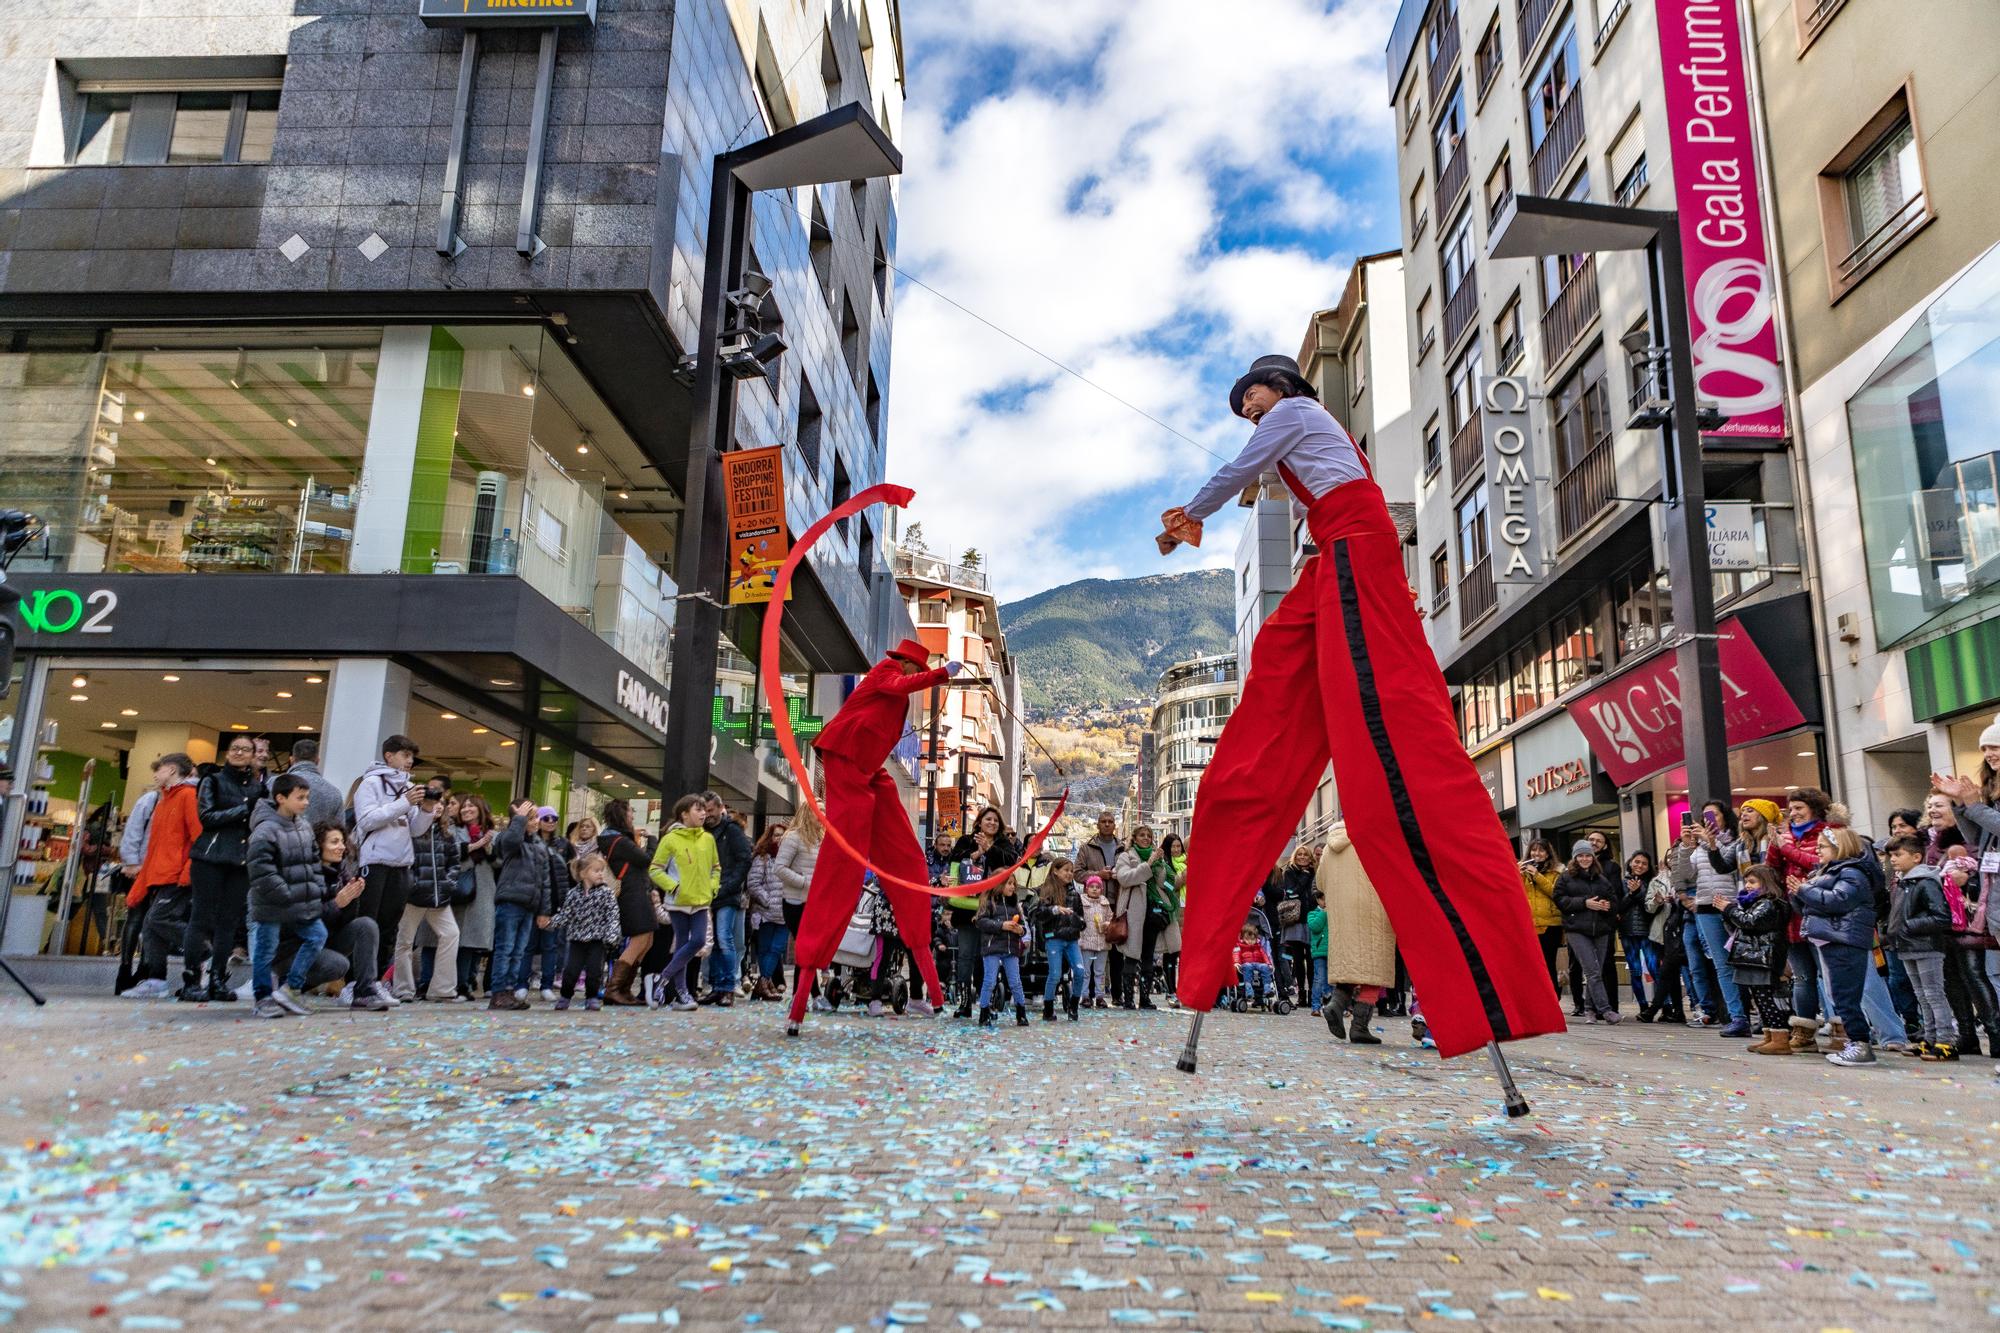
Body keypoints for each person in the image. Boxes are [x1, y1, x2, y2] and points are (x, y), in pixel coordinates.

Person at [1159, 355, 1561, 1058]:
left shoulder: (1291, 414)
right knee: (1275, 700)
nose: (1246, 411)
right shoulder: (1318, 429)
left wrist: (1187, 516)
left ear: (1276, 384)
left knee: (1388, 746)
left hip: (1351, 550)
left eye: (1247, 398)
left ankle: (1479, 990)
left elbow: (1237, 471)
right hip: (1333, 556)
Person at [786, 639, 961, 1035]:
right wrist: (940, 675)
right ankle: (799, 1001)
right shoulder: (888, 672)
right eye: (921, 668)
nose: (919, 674)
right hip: (847, 761)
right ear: (911, 664)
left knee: (909, 861)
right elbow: (896, 688)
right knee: (842, 867)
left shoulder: (897, 682)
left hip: (870, 770)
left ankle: (932, 994)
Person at [179, 734, 267, 1002]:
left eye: (245, 749)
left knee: (229, 922)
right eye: (235, 748)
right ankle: (192, 979)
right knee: (201, 918)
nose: (239, 753)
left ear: (253, 755)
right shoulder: (213, 780)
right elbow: (206, 817)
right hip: (210, 857)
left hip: (240, 861)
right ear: (227, 753)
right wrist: (241, 810)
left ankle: (217, 977)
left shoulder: (256, 787)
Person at [1792, 825, 1879, 1067]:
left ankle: (1861, 1044)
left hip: (1845, 939)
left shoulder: (1852, 873)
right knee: (1839, 995)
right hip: (1832, 938)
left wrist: (1804, 889)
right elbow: (1811, 907)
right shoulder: (1828, 872)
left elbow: (1838, 901)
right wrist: (1798, 892)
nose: (1818, 851)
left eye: (1822, 846)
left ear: (1839, 847)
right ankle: (1856, 1043)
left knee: (1845, 995)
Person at [244, 774, 326, 1019]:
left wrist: (317, 887)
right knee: (266, 949)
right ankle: (263, 996)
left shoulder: (304, 826)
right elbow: (260, 869)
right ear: (280, 798)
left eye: (307, 797)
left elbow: (314, 861)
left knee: (317, 935)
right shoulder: (265, 830)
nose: (306, 802)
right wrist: (285, 892)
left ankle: (292, 987)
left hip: (301, 900)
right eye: (300, 797)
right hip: (273, 902)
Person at [350, 735, 422, 990]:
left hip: (401, 863)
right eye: (405, 755)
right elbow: (367, 820)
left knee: (390, 925)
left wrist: (427, 810)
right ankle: (356, 983)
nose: (409, 761)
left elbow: (415, 830)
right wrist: (404, 803)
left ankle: (378, 981)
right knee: (370, 922)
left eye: (412, 757)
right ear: (389, 756)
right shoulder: (371, 783)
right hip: (375, 861)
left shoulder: (407, 787)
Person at [1317, 826, 1395, 1045]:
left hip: (1342, 912)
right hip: (1375, 908)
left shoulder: (1330, 843)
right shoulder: (1379, 833)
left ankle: (1336, 1004)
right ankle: (1359, 1027)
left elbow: (1321, 881)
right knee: (1373, 969)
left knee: (1350, 966)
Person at [1671, 813, 1746, 1033]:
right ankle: (1737, 1016)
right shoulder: (1698, 848)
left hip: (1734, 905)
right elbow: (1684, 874)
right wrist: (1686, 848)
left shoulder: (1736, 843)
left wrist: (1712, 841)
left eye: (1714, 815)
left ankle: (1758, 1014)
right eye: (1705, 817)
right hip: (1705, 906)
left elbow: (1727, 866)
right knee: (1721, 965)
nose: (1709, 822)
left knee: (1745, 962)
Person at [1883, 834, 1955, 1059]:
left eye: (1898, 855)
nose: (1893, 859)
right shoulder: (1902, 883)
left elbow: (1942, 917)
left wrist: (1907, 926)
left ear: (1916, 857)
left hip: (1926, 946)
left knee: (1934, 993)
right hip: (1907, 946)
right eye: (1891, 855)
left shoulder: (1925, 883)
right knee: (1921, 995)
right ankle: (1930, 1037)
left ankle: (1946, 1041)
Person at [393, 782, 463, 1004]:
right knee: (404, 940)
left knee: (451, 934)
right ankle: (403, 988)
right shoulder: (412, 830)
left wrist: (448, 883)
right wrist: (410, 884)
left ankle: (442, 988)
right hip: (414, 896)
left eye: (442, 802)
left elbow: (454, 863)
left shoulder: (446, 834)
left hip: (438, 896)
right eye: (435, 802)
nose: (439, 806)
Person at [652, 794, 721, 1012]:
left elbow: (716, 868)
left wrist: (712, 887)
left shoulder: (708, 839)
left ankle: (663, 978)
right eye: (698, 810)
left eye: (704, 810)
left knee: (698, 941)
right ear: (684, 814)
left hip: (701, 901)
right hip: (678, 902)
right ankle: (682, 994)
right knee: (683, 944)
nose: (703, 813)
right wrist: (673, 887)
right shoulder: (670, 839)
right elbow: (655, 868)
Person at [948, 808, 1020, 1016]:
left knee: (986, 957)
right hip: (966, 909)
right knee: (965, 956)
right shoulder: (965, 841)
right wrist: (976, 853)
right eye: (988, 819)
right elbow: (954, 861)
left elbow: (1010, 862)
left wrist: (989, 850)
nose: (992, 823)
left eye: (996, 820)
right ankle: (964, 1003)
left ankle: (985, 1003)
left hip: (992, 911)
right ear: (979, 822)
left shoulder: (1004, 844)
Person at [484, 799, 551, 1010]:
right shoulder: (508, 839)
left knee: (519, 950)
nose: (535, 822)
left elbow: (545, 881)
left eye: (535, 818)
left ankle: (510, 990)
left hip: (530, 905)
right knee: (505, 948)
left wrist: (544, 910)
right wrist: (519, 820)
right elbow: (509, 843)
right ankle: (498, 991)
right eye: (530, 818)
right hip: (511, 901)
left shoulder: (539, 845)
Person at [1724, 864, 1795, 1054]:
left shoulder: (1770, 903)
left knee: (1767, 997)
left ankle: (1780, 1038)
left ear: (1766, 883)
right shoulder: (1757, 903)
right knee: (1760, 998)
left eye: (1752, 882)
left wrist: (1729, 909)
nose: (1747, 885)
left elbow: (1750, 921)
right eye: (1746, 881)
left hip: (1765, 956)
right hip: (1755, 956)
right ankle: (1770, 1035)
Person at [1554, 839, 1620, 1024]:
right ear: (1575, 858)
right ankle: (1606, 1010)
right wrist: (1584, 903)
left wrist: (1607, 906)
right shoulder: (1566, 878)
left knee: (1596, 970)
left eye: (1588, 855)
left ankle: (1590, 1010)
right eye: (1581, 856)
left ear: (1593, 857)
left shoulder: (1601, 879)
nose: (1585, 859)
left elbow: (1614, 901)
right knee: (1592, 970)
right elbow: (1559, 900)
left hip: (1600, 928)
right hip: (1577, 929)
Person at [597, 800, 655, 1006]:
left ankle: (624, 988)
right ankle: (614, 988)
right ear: (621, 815)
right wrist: (653, 842)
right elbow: (645, 860)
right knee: (640, 939)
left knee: (647, 940)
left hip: (637, 891)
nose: (632, 816)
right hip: (631, 893)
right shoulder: (618, 840)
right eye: (630, 812)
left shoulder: (616, 839)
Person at [550, 852, 623, 1012]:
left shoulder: (606, 893)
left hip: (597, 940)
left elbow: (612, 916)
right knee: (570, 970)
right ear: (583, 874)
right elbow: (566, 915)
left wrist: (611, 935)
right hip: (576, 939)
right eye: (596, 870)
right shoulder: (573, 894)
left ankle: (592, 997)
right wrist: (551, 922)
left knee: (594, 971)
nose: (600, 874)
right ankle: (565, 996)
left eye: (601, 870)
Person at [701, 793, 754, 1004]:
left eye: (711, 811)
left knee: (724, 938)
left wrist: (730, 885)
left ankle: (728, 987)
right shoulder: (702, 832)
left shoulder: (731, 831)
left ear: (720, 808)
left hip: (727, 893)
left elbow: (744, 860)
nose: (708, 815)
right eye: (705, 811)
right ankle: (716, 985)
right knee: (712, 942)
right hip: (707, 893)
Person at [1113, 826, 1168, 1010]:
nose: (1146, 838)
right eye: (1142, 835)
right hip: (1134, 912)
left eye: (1149, 836)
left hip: (1153, 912)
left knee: (1148, 956)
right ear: (1134, 838)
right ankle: (1128, 998)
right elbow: (1125, 878)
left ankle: (1145, 998)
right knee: (1131, 954)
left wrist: (1161, 866)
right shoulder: (1126, 856)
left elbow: (1163, 883)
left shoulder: (1156, 857)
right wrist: (1149, 864)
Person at [775, 802, 822, 1007]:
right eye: (818, 809)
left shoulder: (821, 838)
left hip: (813, 902)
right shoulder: (793, 838)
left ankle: (804, 995)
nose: (822, 813)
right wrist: (805, 882)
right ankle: (805, 995)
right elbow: (780, 868)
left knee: (809, 949)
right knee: (805, 948)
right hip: (795, 902)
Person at [453, 794, 498, 999]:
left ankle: (469, 981)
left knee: (477, 941)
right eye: (464, 806)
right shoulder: (455, 831)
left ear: (481, 809)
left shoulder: (492, 834)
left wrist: (488, 847)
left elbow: (499, 863)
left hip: (484, 891)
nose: (467, 809)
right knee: (462, 940)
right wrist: (473, 846)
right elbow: (452, 856)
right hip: (462, 890)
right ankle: (460, 985)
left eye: (471, 806)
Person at [1075, 813, 1124, 999]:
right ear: (1097, 825)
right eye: (1103, 822)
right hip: (1093, 904)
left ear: (1114, 825)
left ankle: (1116, 994)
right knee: (1092, 950)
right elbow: (1077, 873)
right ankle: (1089, 993)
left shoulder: (1122, 848)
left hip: (1118, 903)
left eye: (1110, 821)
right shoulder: (1086, 848)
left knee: (1117, 950)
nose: (1107, 824)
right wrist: (1098, 875)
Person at [1034, 857, 1085, 1021]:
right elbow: (1039, 914)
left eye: (1071, 871)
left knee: (1080, 970)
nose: (1069, 874)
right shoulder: (1046, 891)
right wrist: (1055, 910)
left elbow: (1081, 918)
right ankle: (1048, 1008)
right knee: (1055, 974)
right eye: (1066, 870)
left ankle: (1074, 1005)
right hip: (1054, 938)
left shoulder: (1074, 894)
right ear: (1055, 871)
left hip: (1071, 939)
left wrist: (1079, 922)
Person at [973, 878, 1030, 1028]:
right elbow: (981, 922)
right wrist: (1001, 926)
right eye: (1009, 883)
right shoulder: (989, 902)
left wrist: (1020, 930)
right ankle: (984, 1012)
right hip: (992, 948)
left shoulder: (1015, 905)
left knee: (1015, 982)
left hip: (1010, 948)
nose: (1012, 887)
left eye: (1014, 884)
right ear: (999, 885)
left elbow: (1023, 926)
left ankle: (1021, 1012)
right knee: (989, 981)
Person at [531, 808, 573, 1001]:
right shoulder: (530, 841)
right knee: (528, 945)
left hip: (556, 900)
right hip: (532, 899)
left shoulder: (563, 844)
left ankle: (547, 983)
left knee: (551, 944)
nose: (550, 821)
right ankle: (524, 981)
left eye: (554, 818)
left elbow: (572, 871)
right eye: (545, 818)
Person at [746, 820, 789, 1001]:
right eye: (776, 834)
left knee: (776, 948)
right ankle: (765, 984)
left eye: (782, 835)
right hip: (766, 912)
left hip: (785, 912)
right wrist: (768, 900)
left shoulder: (791, 859)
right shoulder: (762, 858)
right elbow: (753, 883)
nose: (778, 838)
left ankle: (762, 984)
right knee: (765, 949)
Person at [1616, 851, 1660, 1014]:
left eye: (1644, 863)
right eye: (1636, 862)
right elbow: (1620, 906)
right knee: (1635, 970)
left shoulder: (1653, 883)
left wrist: (1639, 892)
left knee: (1654, 966)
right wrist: (1632, 893)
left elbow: (1650, 908)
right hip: (1627, 931)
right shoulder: (1622, 882)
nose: (1639, 865)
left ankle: (1665, 1004)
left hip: (1648, 930)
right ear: (1630, 863)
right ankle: (1643, 1006)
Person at [1518, 839, 1562, 995]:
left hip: (1551, 925)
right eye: (1534, 850)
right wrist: (1517, 875)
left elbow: (1556, 893)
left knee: (1548, 962)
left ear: (1548, 853)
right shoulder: (1522, 870)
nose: (1537, 854)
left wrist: (1537, 876)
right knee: (1531, 965)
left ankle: (1553, 996)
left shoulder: (1556, 872)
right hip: (1529, 924)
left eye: (1541, 851)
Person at [1278, 844, 1316, 1007]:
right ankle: (1301, 994)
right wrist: (1304, 877)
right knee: (1298, 960)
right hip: (1296, 921)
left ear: (1310, 857)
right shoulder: (1290, 872)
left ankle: (1313, 994)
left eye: (1305, 854)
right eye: (1299, 854)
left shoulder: (1315, 872)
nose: (1302, 857)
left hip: (1312, 919)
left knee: (1312, 959)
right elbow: (1292, 892)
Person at [1157, 832, 1189, 997]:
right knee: (1171, 951)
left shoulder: (1186, 862)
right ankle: (1171, 989)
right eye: (1173, 846)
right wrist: (1182, 878)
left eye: (1178, 846)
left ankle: (1185, 988)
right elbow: (1167, 886)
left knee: (1186, 954)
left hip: (1189, 910)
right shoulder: (1163, 865)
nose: (1176, 849)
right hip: (1174, 911)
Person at [284, 739, 343, 830]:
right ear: (317, 760)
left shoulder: (273, 784)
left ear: (292, 760)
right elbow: (339, 830)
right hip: (317, 842)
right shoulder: (334, 793)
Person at [1078, 875, 1113, 1008]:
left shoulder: (1105, 903)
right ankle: (1085, 995)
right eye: (1091, 887)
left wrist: (1107, 924)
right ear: (1086, 889)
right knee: (1086, 971)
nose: (1094, 889)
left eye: (1097, 887)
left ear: (1101, 890)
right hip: (1087, 942)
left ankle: (1100, 996)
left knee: (1100, 971)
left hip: (1102, 942)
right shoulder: (1082, 902)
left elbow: (1111, 917)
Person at [1234, 925, 1276, 1005]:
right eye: (1247, 939)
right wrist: (1236, 963)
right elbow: (1236, 954)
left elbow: (1264, 955)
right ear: (1242, 938)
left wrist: (1269, 964)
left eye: (1252, 939)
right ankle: (1249, 989)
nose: (1250, 941)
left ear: (1256, 939)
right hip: (1246, 964)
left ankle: (1267, 988)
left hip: (1258, 964)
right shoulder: (1240, 946)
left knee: (1265, 967)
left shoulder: (1259, 946)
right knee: (1247, 966)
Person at [1306, 887, 1330, 1016]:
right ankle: (1315, 1006)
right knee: (1319, 979)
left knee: (1332, 981)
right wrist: (1324, 912)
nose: (1326, 902)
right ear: (1318, 900)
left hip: (1332, 952)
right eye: (1324, 899)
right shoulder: (1313, 914)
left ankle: (1332, 1006)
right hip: (1319, 952)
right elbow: (1315, 927)